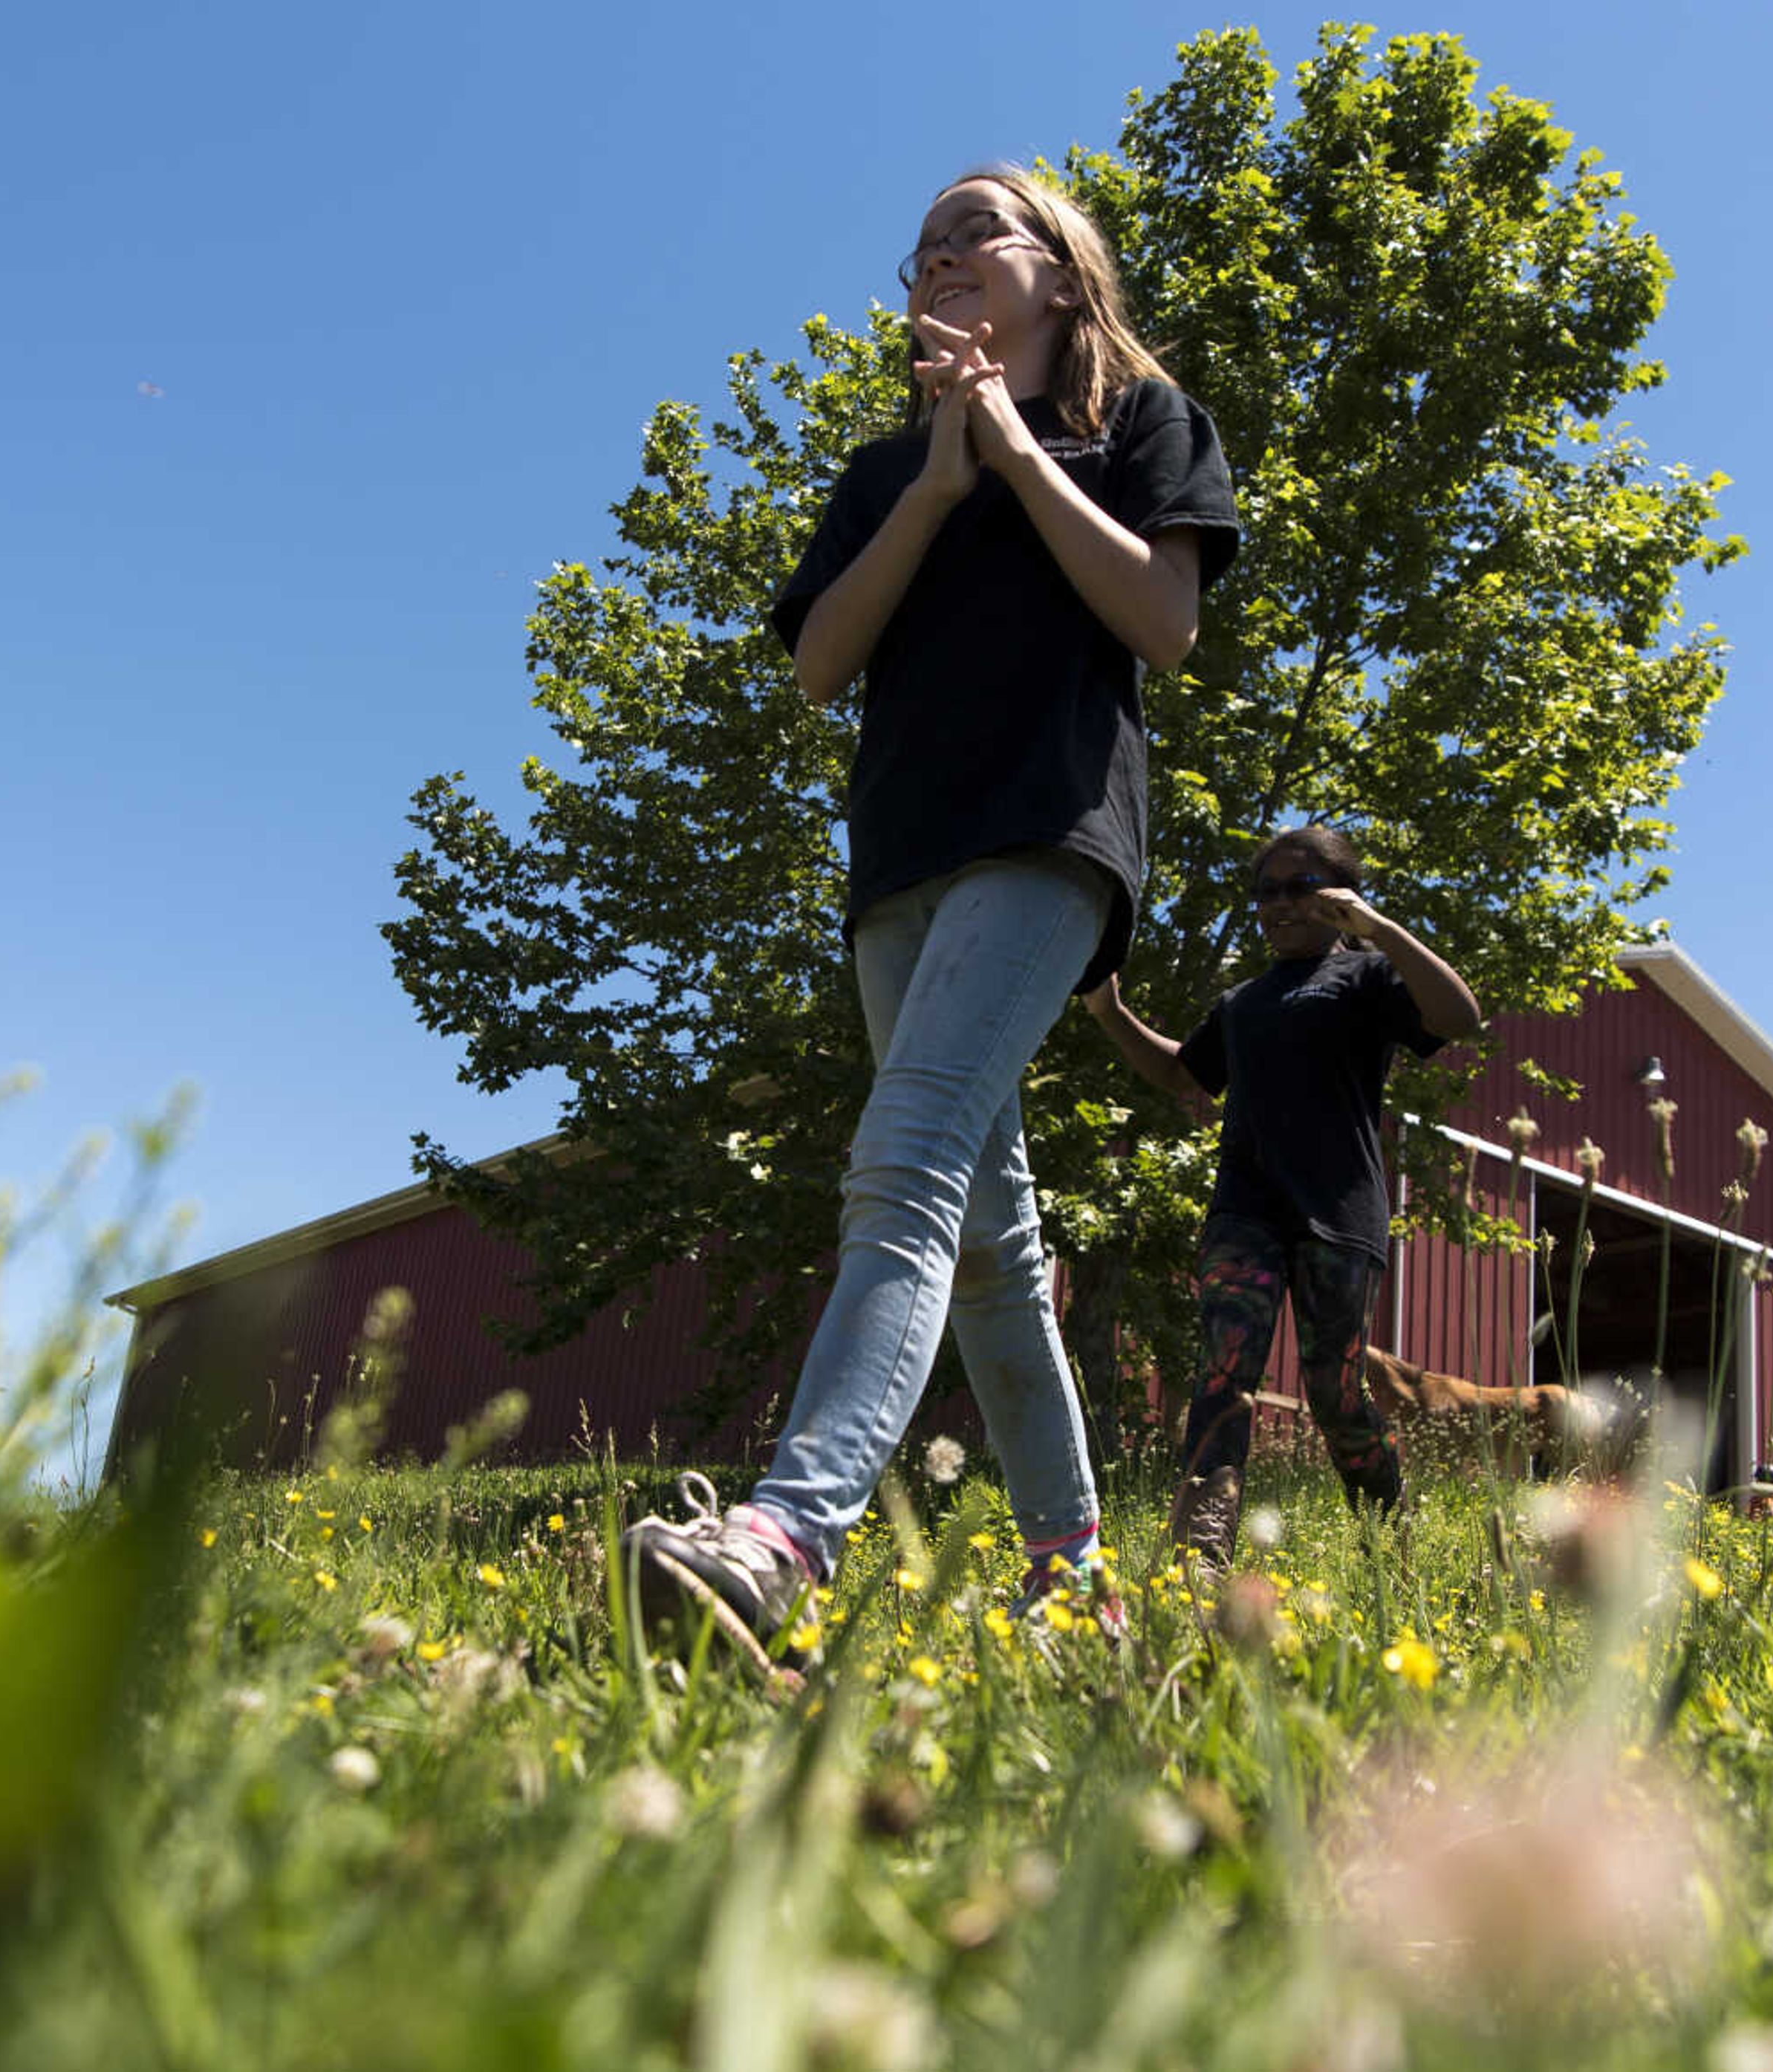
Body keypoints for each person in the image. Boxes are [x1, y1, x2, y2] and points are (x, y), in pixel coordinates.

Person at [624, 166, 1240, 1668]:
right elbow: (818, 665)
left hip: (1049, 838)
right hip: (900, 862)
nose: (948, 251)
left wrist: (1020, 448)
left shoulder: (1142, 424)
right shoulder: (880, 472)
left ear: (1061, 271)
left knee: (898, 1169)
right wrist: (938, 482)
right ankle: (1075, 1573)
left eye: (982, 226)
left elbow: (1161, 622)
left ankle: (785, 1537)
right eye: (928, 243)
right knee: (987, 1247)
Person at [1078, 826, 1482, 1562]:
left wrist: (1380, 930)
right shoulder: (1243, 1001)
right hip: (1246, 1211)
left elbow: (1460, 1017)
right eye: (1267, 889)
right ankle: (1198, 1561)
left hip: (1340, 1215)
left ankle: (1389, 1546)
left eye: (1301, 885)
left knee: (1336, 1393)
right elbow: (1182, 1073)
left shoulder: (1366, 977)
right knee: (1223, 1376)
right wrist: (1110, 1010)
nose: (1280, 902)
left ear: (1339, 893)